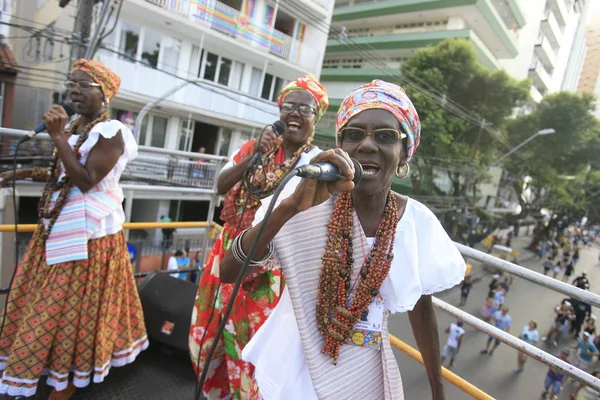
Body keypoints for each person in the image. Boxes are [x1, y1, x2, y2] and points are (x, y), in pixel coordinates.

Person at [221, 80, 466, 399]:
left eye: (385, 136)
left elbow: (421, 310)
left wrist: (438, 390)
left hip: (362, 370)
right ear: (340, 147)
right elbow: (228, 272)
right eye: (354, 134)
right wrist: (288, 209)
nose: (366, 145)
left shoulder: (415, 222)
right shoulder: (306, 201)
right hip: (292, 366)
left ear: (404, 155)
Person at [0, 59, 147, 398]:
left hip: (89, 237)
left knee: (68, 312)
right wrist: (18, 174)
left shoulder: (112, 132)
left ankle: (64, 383)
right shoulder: (77, 126)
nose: (73, 91)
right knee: (46, 305)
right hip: (59, 227)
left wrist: (56, 136)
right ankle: (50, 370)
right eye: (71, 84)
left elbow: (86, 180)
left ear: (104, 94)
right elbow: (62, 173)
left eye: (83, 85)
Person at [189, 74, 329, 399]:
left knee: (250, 344)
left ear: (315, 118)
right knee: (209, 334)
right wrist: (255, 157)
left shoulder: (314, 162)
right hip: (226, 252)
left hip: (268, 265)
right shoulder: (255, 147)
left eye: (304, 108)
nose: (294, 113)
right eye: (289, 106)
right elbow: (221, 185)